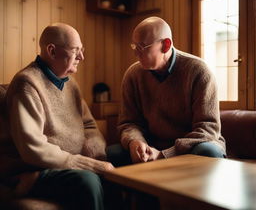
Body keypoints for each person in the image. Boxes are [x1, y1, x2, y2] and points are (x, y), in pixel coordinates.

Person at [0, 23, 114, 210]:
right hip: (34, 170)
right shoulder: (27, 84)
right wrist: (85, 165)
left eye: (82, 50)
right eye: (75, 50)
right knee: (88, 180)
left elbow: (89, 125)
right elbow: (33, 148)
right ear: (52, 51)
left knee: (116, 162)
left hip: (65, 165)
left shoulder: (70, 83)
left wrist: (95, 153)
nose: (81, 57)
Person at [117, 16, 226, 164]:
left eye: (141, 47)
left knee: (207, 151)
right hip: (152, 146)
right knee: (113, 153)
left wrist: (165, 154)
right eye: (134, 46)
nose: (136, 53)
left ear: (166, 45)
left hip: (194, 145)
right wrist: (135, 142)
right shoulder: (133, 74)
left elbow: (208, 130)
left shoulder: (199, 71)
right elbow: (128, 123)